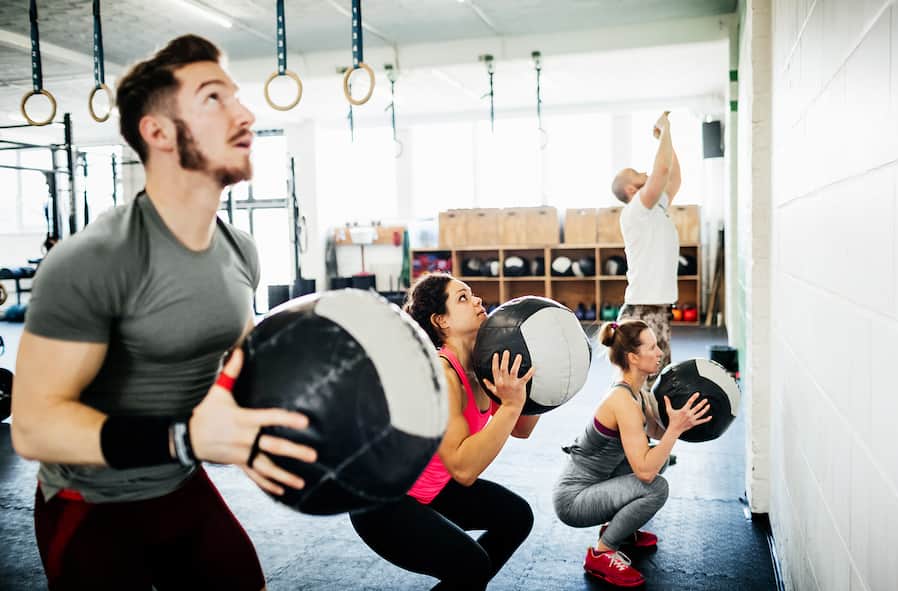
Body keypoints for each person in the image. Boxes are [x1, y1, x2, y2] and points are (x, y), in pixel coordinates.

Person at [11, 35, 317, 590]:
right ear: (157, 132)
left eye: (237, 97)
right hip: (92, 502)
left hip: (180, 487)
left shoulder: (239, 249)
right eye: (213, 98)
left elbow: (243, 367)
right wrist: (183, 438)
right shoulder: (95, 260)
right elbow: (33, 427)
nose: (244, 112)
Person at [350, 273, 538, 590]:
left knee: (516, 518)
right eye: (463, 298)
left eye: (473, 294)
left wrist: (534, 387)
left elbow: (522, 427)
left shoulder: (481, 367)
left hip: (430, 489)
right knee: (471, 565)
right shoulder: (441, 374)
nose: (478, 300)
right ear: (441, 321)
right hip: (382, 502)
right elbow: (464, 469)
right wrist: (508, 406)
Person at [552, 320, 710, 588]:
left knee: (659, 457)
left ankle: (620, 530)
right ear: (633, 357)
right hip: (573, 500)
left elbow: (660, 436)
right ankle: (602, 552)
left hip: (597, 483)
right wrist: (675, 429)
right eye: (652, 347)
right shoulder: (622, 401)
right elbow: (645, 472)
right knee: (656, 485)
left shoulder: (638, 394)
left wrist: (685, 420)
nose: (660, 353)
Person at [610, 111, 682, 388]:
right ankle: (630, 429)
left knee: (659, 385)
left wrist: (667, 138)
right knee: (642, 387)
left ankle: (650, 430)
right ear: (632, 189)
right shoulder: (636, 211)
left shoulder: (655, 209)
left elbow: (673, 178)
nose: (647, 173)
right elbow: (662, 171)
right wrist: (664, 129)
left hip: (658, 309)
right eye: (640, 174)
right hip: (643, 311)